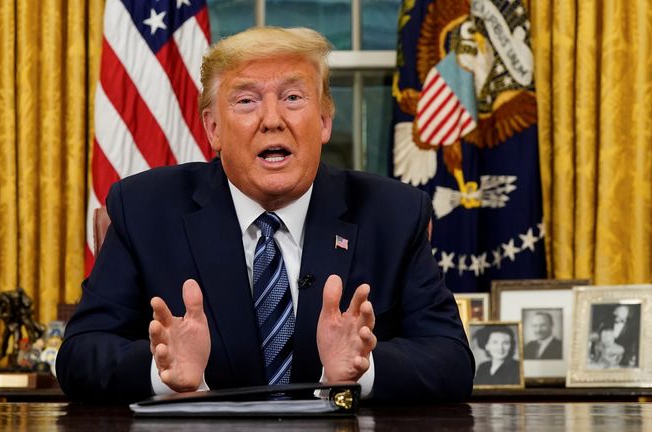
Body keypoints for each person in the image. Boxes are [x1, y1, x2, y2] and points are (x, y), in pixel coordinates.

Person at [55, 26, 474, 404]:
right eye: (246, 101)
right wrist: (162, 371)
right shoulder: (145, 209)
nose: (272, 120)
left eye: (293, 97)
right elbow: (80, 354)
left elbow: (451, 360)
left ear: (325, 121)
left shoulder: (393, 214)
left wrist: (363, 368)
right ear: (213, 128)